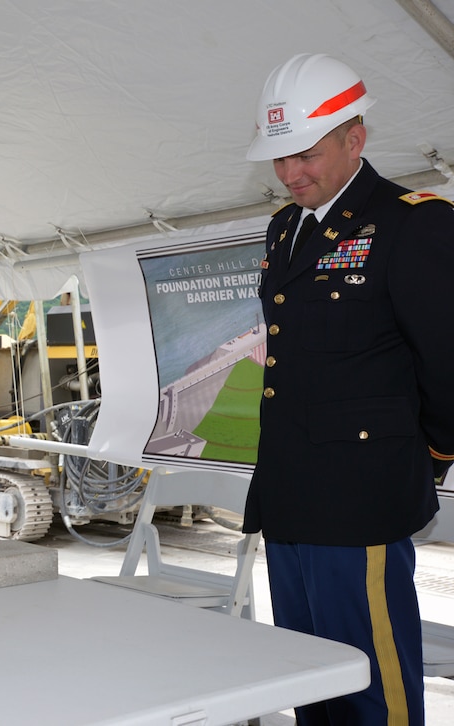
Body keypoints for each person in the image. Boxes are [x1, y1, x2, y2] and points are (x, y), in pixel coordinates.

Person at [244, 53, 454, 725]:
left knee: (372, 689)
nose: (290, 174)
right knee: (309, 682)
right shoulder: (284, 229)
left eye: (303, 155)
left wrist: (427, 461)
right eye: (279, 159)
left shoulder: (412, 223)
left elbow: (447, 361)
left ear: (353, 139)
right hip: (289, 497)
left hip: (360, 497)